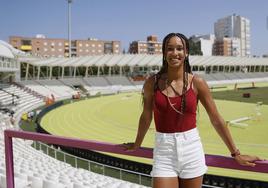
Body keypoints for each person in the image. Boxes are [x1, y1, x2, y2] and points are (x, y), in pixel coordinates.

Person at [124, 33, 260, 188]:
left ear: (186, 52)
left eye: (179, 48)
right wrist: (137, 144)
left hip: (191, 148)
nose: (175, 53)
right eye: (170, 49)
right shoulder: (151, 83)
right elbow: (146, 116)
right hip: (164, 150)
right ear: (163, 53)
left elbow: (216, 119)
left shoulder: (198, 83)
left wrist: (236, 153)